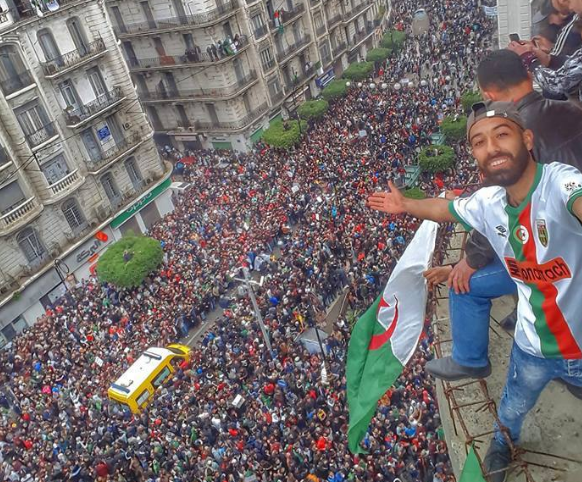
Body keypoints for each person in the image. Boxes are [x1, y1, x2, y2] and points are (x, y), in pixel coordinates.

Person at [368, 100, 582, 482]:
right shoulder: (488, 202)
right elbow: (446, 209)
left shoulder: (561, 182)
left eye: (502, 135)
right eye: (479, 142)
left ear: (527, 139)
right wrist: (405, 204)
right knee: (513, 408)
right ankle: (502, 443)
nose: (492, 148)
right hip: (532, 347)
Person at [423, 49, 582, 379]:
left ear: (488, 94)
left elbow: (504, 211)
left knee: (465, 285)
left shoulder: (522, 135)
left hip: (562, 257)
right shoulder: (569, 106)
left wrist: (469, 261)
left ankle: (469, 359)